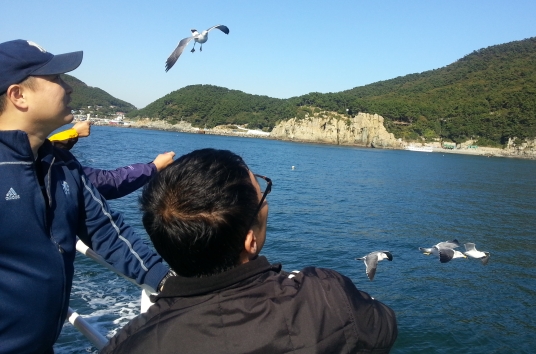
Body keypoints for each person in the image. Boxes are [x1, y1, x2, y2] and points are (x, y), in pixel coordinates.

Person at [102, 148, 398, 353]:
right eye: (262, 196)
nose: (266, 203)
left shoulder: (127, 343)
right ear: (250, 241)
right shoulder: (325, 295)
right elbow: (384, 327)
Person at [0, 39, 171, 354]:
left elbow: (106, 232)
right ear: (18, 95)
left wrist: (169, 282)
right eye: (57, 78)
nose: (69, 88)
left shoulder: (63, 164)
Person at [49, 120, 176, 199]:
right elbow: (109, 182)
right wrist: (154, 167)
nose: (68, 89)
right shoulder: (51, 171)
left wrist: (73, 133)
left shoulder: (40, 154)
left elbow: (49, 148)